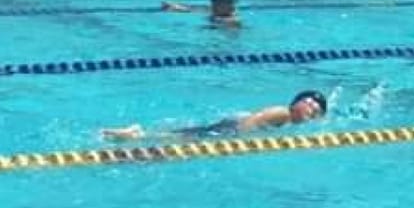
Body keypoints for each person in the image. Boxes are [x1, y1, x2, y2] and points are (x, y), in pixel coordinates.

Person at [101, 90, 327, 143]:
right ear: (294, 103)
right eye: (308, 102)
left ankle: (140, 133)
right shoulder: (282, 112)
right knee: (182, 139)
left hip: (231, 127)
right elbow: (255, 120)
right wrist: (235, 137)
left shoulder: (291, 121)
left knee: (183, 135)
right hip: (232, 129)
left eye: (316, 108)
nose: (311, 107)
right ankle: (137, 134)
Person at [163, 0, 242, 28]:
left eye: (220, 1)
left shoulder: (233, 22)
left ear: (232, 4)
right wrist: (174, 6)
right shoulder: (211, 10)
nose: (215, 4)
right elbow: (191, 9)